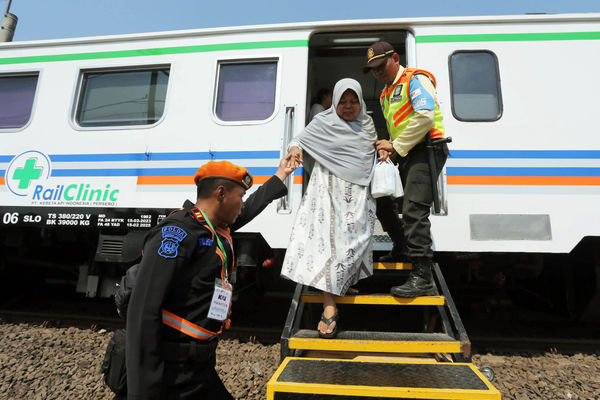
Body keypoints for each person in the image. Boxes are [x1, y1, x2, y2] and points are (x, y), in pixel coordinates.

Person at [126, 156, 295, 400]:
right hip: (171, 371)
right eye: (240, 197)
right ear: (221, 193)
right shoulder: (177, 234)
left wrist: (281, 174)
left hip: (198, 366)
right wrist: (144, 390)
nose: (242, 205)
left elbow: (249, 210)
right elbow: (142, 311)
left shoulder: (212, 228)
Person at [281, 78, 377, 338]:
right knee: (332, 242)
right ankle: (329, 306)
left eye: (353, 101)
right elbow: (298, 139)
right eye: (342, 101)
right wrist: (294, 149)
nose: (348, 106)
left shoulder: (367, 125)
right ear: (334, 102)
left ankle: (342, 282)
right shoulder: (324, 121)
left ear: (361, 102)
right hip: (328, 191)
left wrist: (382, 149)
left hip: (358, 194)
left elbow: (368, 156)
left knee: (357, 238)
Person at [362, 41, 449, 298]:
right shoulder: (385, 93)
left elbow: (425, 116)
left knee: (413, 208)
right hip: (405, 152)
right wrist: (388, 148)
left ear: (395, 59)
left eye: (380, 66)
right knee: (382, 199)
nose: (377, 72)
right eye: (373, 69)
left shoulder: (416, 79)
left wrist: (395, 146)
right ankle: (401, 246)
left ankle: (422, 276)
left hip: (425, 149)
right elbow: (396, 127)